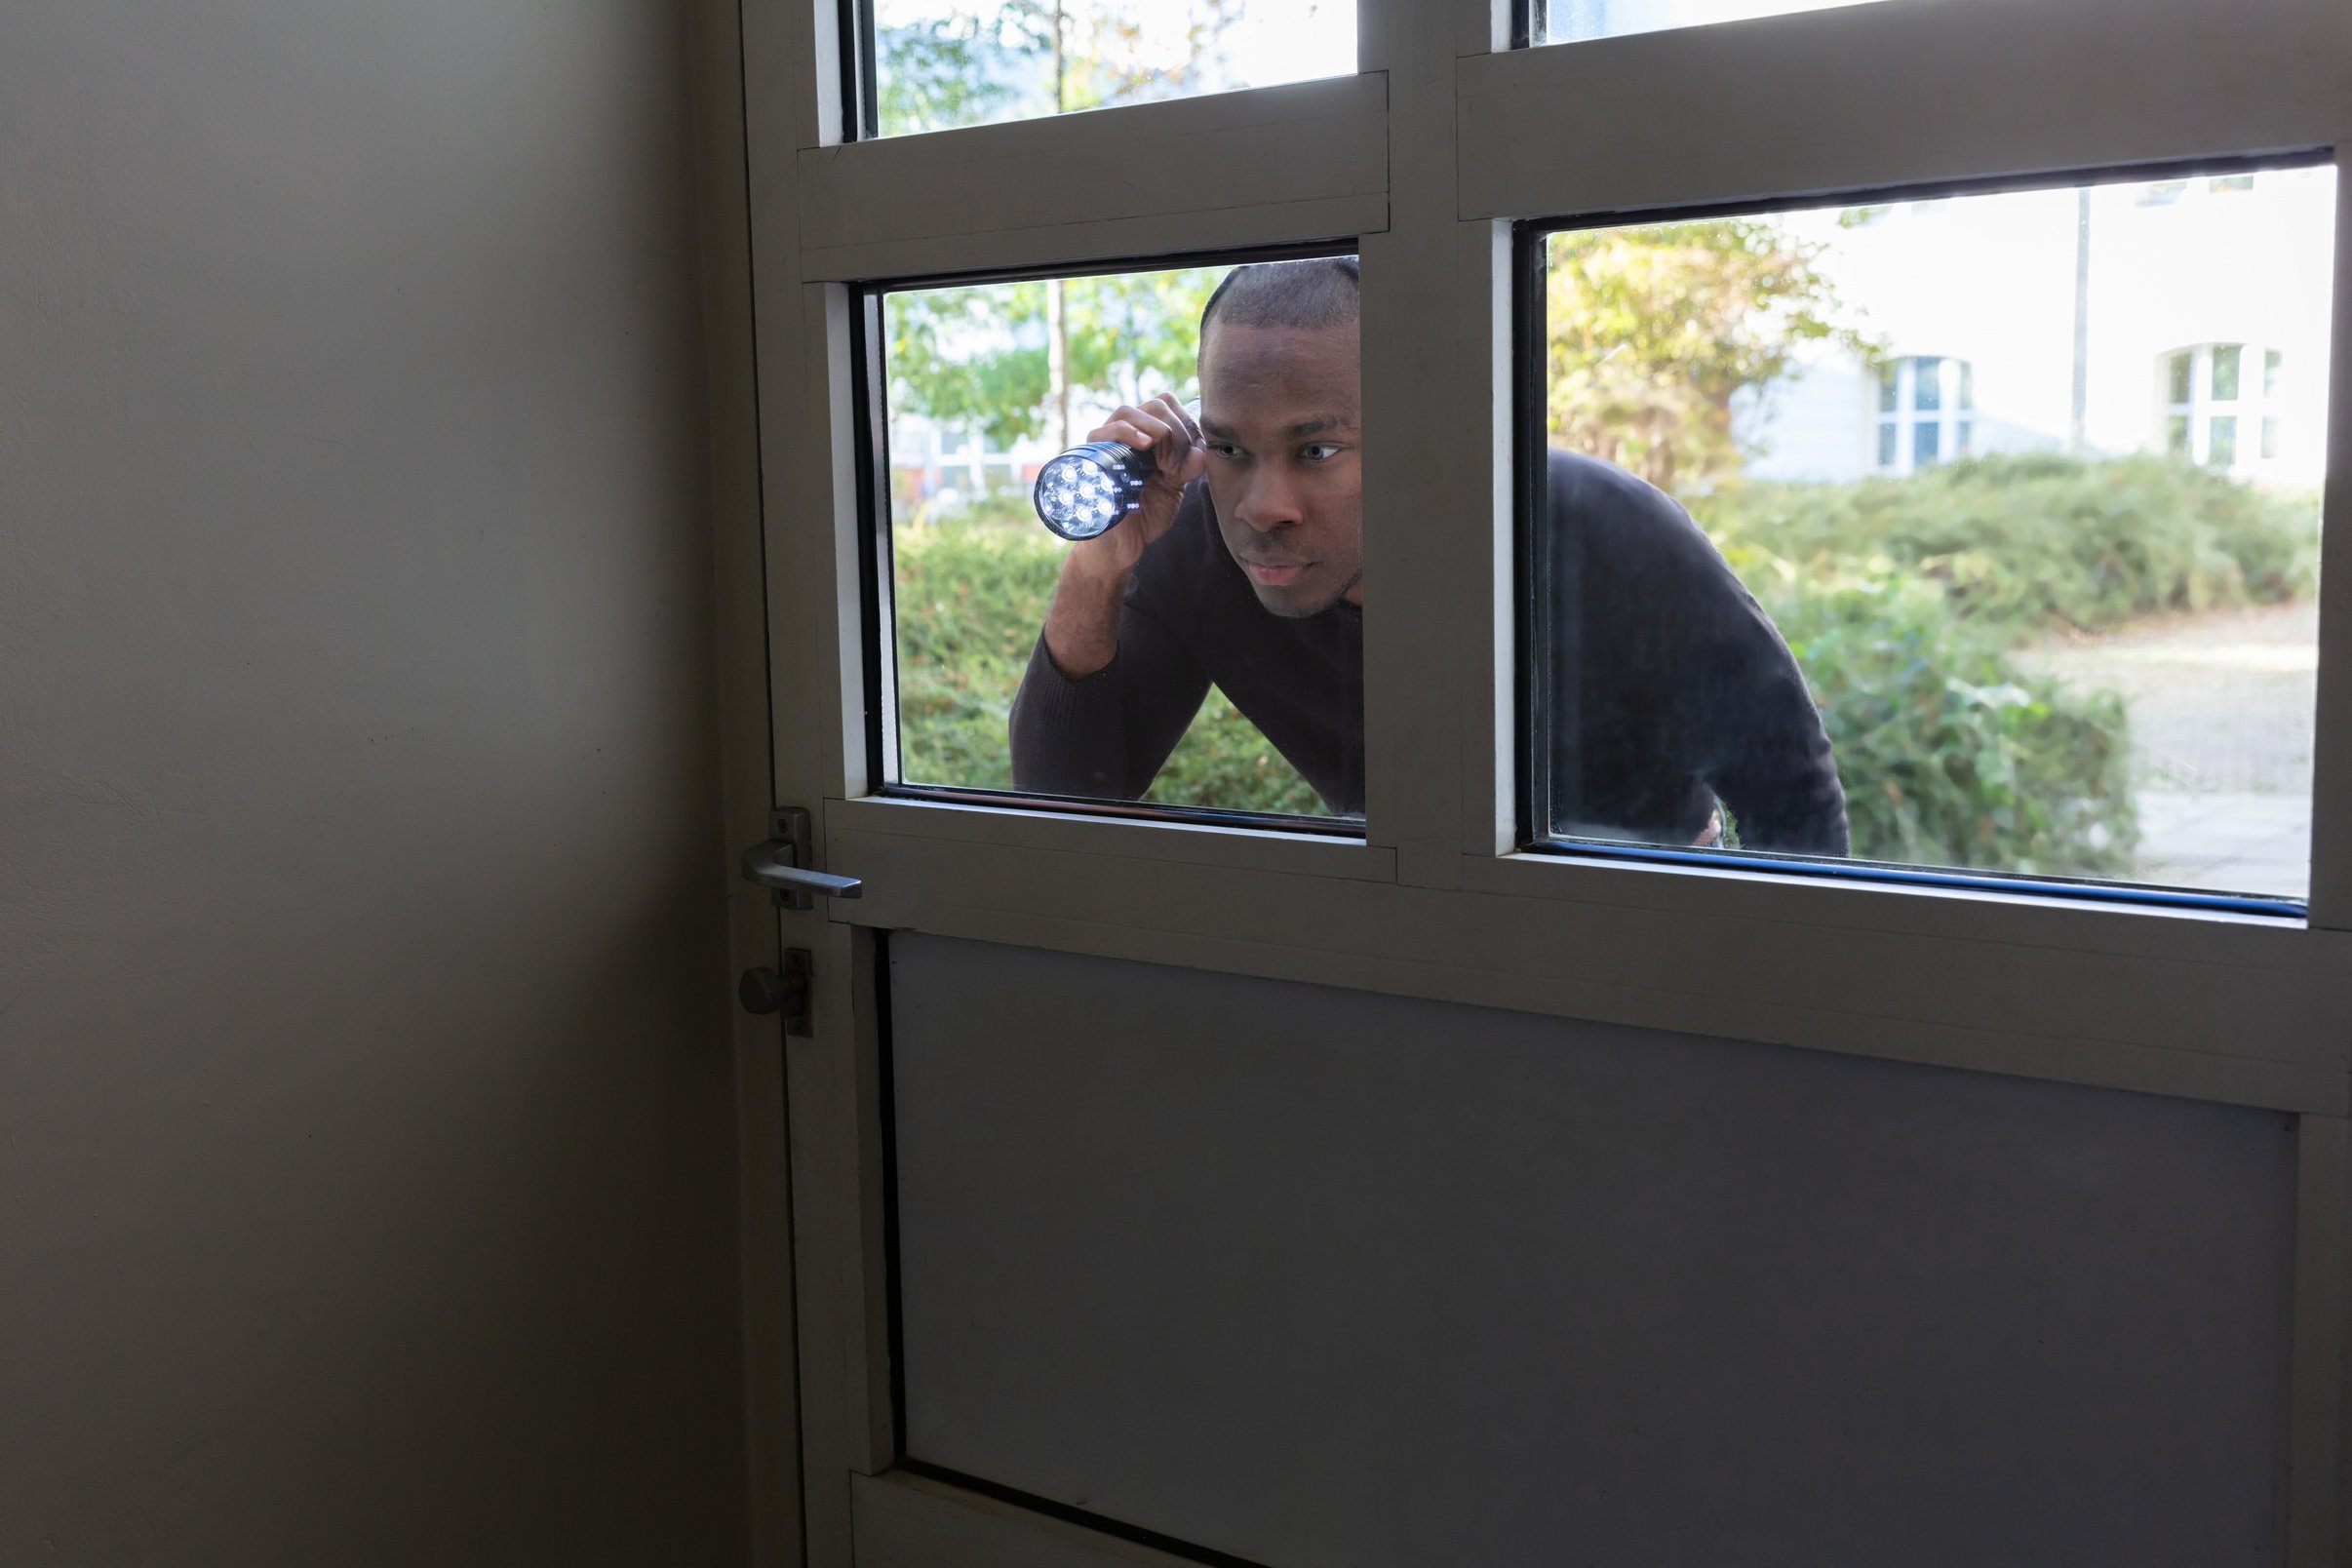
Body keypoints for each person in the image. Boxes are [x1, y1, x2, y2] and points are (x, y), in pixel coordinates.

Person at [1008, 256, 1850, 856]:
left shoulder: (1593, 525)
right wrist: (1098, 568)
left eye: (1318, 452)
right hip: (1401, 911)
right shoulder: (1191, 536)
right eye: (1229, 449)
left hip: (1641, 908)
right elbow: (1071, 798)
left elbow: (1794, 805)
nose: (1263, 507)